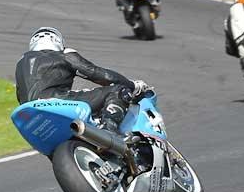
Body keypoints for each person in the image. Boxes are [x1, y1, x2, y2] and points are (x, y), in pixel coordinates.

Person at [15, 26, 151, 133]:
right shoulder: (63, 54)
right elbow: (98, 74)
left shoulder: (21, 63)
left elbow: (20, 95)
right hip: (56, 102)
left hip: (28, 115)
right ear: (57, 41)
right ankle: (110, 130)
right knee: (117, 90)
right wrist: (132, 85)